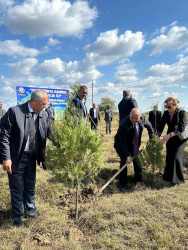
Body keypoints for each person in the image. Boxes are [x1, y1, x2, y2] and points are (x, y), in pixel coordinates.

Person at [0, 89, 50, 227]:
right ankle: (18, 219)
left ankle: (30, 212)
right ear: (35, 102)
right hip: (16, 158)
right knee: (17, 189)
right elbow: (3, 136)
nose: (45, 106)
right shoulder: (15, 112)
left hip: (32, 157)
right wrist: (6, 158)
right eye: (44, 104)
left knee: (30, 186)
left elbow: (50, 132)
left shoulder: (43, 114)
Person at [114, 108, 153, 192]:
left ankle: (139, 181)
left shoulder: (142, 118)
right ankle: (123, 184)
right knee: (124, 161)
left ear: (140, 116)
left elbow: (149, 126)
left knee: (137, 161)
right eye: (133, 118)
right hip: (121, 144)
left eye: (137, 118)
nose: (134, 120)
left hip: (134, 144)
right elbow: (123, 142)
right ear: (130, 115)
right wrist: (127, 155)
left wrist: (152, 139)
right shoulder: (123, 124)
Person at [157, 97, 187, 186]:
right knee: (169, 157)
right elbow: (161, 125)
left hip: (179, 139)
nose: (168, 109)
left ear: (175, 105)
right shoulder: (166, 113)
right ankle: (168, 177)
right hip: (170, 138)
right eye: (166, 107)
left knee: (176, 157)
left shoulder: (181, 113)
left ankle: (177, 180)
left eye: (169, 107)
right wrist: (157, 135)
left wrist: (168, 135)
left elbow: (181, 128)